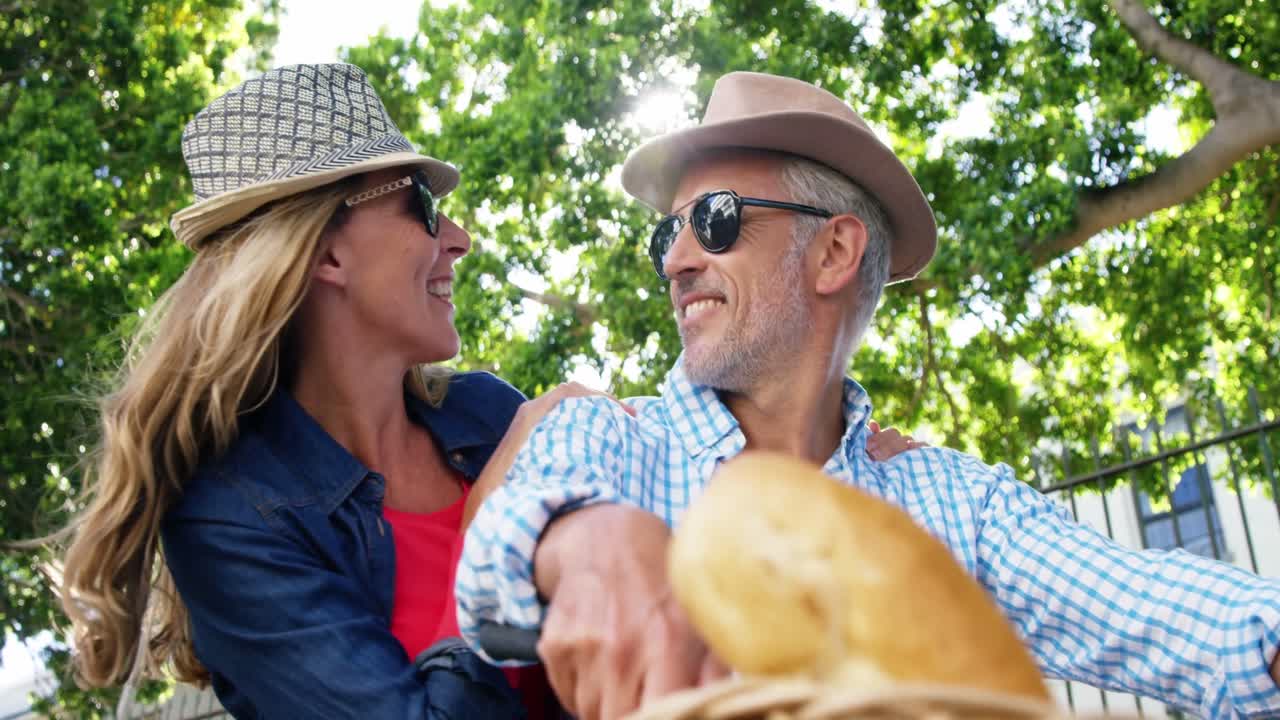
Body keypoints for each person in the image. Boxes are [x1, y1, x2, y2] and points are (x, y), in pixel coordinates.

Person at [456, 71, 1280, 720]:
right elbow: (496, 558)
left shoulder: (955, 502)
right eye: (664, 233)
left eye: (711, 220)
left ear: (835, 251)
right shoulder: (608, 440)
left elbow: (1158, 612)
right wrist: (586, 544)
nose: (675, 260)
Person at [54, 62, 594, 719]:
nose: (459, 240)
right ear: (326, 255)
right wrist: (488, 524)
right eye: (422, 206)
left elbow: (554, 651)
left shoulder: (488, 416)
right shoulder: (231, 520)